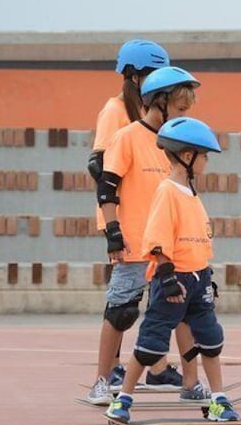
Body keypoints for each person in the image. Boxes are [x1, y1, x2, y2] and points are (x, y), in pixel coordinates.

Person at [105, 116, 239, 424]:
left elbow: (198, 239)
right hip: (173, 281)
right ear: (188, 156)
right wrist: (165, 276)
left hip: (197, 279)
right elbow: (157, 238)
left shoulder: (192, 194)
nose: (207, 161)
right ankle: (123, 400)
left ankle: (218, 400)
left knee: (210, 339)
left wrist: (206, 275)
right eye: (205, 155)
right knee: (151, 343)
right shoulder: (167, 191)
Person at [86, 64, 201, 405]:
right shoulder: (127, 137)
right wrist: (113, 233)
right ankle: (102, 382)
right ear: (159, 102)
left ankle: (191, 384)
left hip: (171, 246)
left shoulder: (174, 144)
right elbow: (107, 189)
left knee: (184, 310)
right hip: (135, 242)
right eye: (179, 110)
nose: (181, 117)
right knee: (120, 311)